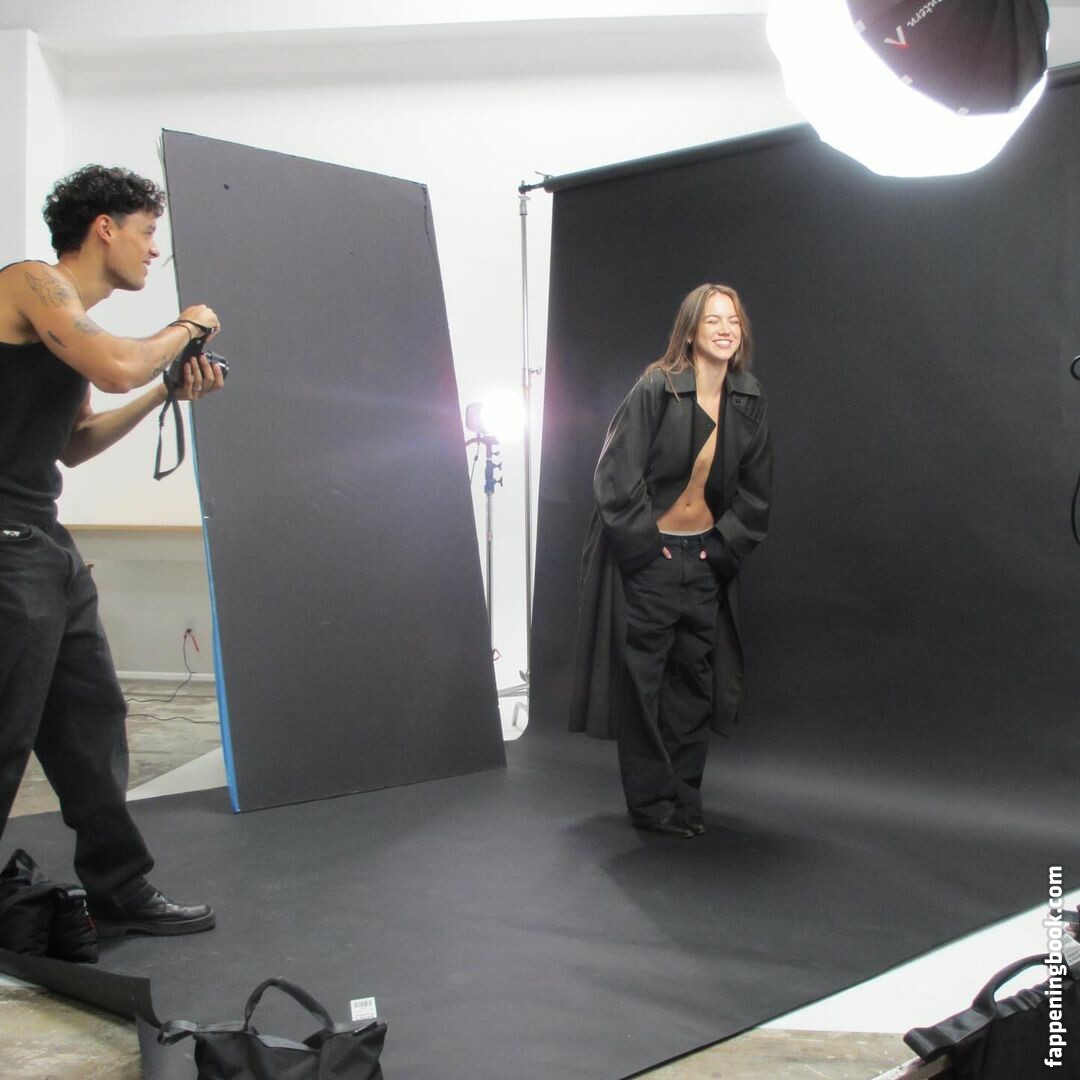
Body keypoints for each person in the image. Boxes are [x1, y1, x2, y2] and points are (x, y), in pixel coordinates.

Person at [0, 165, 224, 935]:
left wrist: (167, 391)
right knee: (6, 731)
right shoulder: (32, 282)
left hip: (43, 539)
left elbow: (76, 443)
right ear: (105, 228)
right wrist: (187, 326)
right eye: (147, 232)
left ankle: (119, 888)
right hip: (5, 542)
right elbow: (120, 362)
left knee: (90, 719)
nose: (154, 249)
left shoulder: (73, 330)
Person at [570, 283, 772, 838]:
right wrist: (646, 547)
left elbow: (756, 496)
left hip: (704, 558)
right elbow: (615, 476)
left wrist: (717, 548)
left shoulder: (749, 397)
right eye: (713, 320)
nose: (726, 330)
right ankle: (651, 804)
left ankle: (684, 799)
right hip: (653, 558)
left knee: (693, 685)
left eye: (733, 320)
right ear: (689, 331)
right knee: (644, 684)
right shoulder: (657, 387)